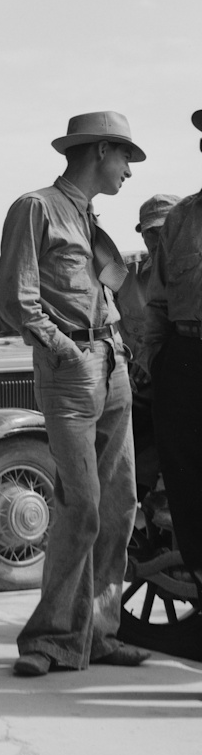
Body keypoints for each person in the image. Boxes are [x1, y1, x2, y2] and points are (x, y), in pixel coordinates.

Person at [0, 111, 146, 675]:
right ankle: (51, 639)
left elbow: (115, 292)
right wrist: (66, 349)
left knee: (117, 506)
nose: (129, 171)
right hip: (73, 367)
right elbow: (15, 296)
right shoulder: (35, 207)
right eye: (125, 157)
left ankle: (97, 634)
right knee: (80, 504)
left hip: (113, 365)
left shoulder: (91, 219)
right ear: (100, 150)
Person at [143, 109, 202, 596]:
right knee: (186, 481)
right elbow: (157, 302)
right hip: (185, 357)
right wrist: (160, 362)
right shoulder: (182, 217)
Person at [119, 194, 177, 502]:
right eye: (148, 232)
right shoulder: (125, 272)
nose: (155, 239)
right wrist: (122, 362)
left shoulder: (190, 275)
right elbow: (93, 302)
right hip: (133, 382)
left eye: (163, 230)